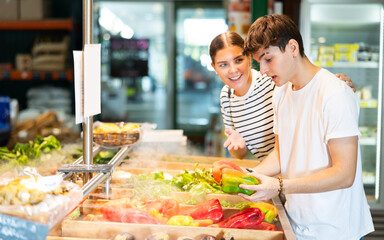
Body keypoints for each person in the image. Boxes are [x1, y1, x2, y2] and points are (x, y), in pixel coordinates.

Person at [237, 14, 374, 239]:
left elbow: (344, 174)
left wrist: (279, 186)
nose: (262, 70)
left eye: (267, 59)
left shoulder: (335, 93)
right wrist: (247, 175)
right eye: (258, 62)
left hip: (335, 229)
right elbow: (282, 155)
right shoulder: (281, 93)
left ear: (292, 47)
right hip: (297, 222)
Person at [209, 31, 355, 160]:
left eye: (238, 60)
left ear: (249, 57)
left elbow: (307, 82)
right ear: (214, 67)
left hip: (296, 175)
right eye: (223, 65)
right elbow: (240, 154)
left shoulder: (273, 80)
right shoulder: (226, 96)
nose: (233, 70)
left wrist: (336, 83)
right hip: (269, 176)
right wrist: (238, 147)